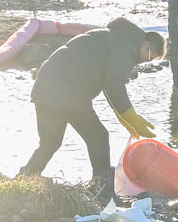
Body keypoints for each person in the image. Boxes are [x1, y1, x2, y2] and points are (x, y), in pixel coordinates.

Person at [19, 17, 166, 199]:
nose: (144, 61)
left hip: (46, 86)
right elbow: (114, 85)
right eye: (148, 55)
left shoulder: (115, 37)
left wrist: (125, 118)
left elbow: (109, 86)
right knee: (98, 137)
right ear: (145, 44)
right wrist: (131, 117)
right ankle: (102, 187)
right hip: (68, 90)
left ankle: (24, 179)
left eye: (149, 60)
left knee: (50, 142)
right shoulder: (127, 47)